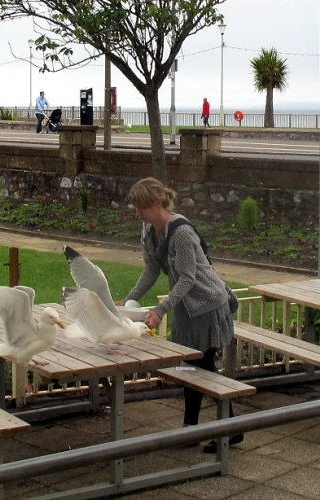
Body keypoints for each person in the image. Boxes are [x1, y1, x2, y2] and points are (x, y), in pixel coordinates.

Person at [119, 177, 241, 454]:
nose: (137, 213)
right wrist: (130, 299)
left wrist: (161, 310)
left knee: (205, 369)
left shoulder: (181, 232)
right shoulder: (149, 230)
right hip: (188, 309)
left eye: (142, 208)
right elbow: (151, 269)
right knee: (192, 369)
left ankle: (230, 429)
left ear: (158, 204)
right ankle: (195, 428)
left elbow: (187, 277)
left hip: (208, 305)